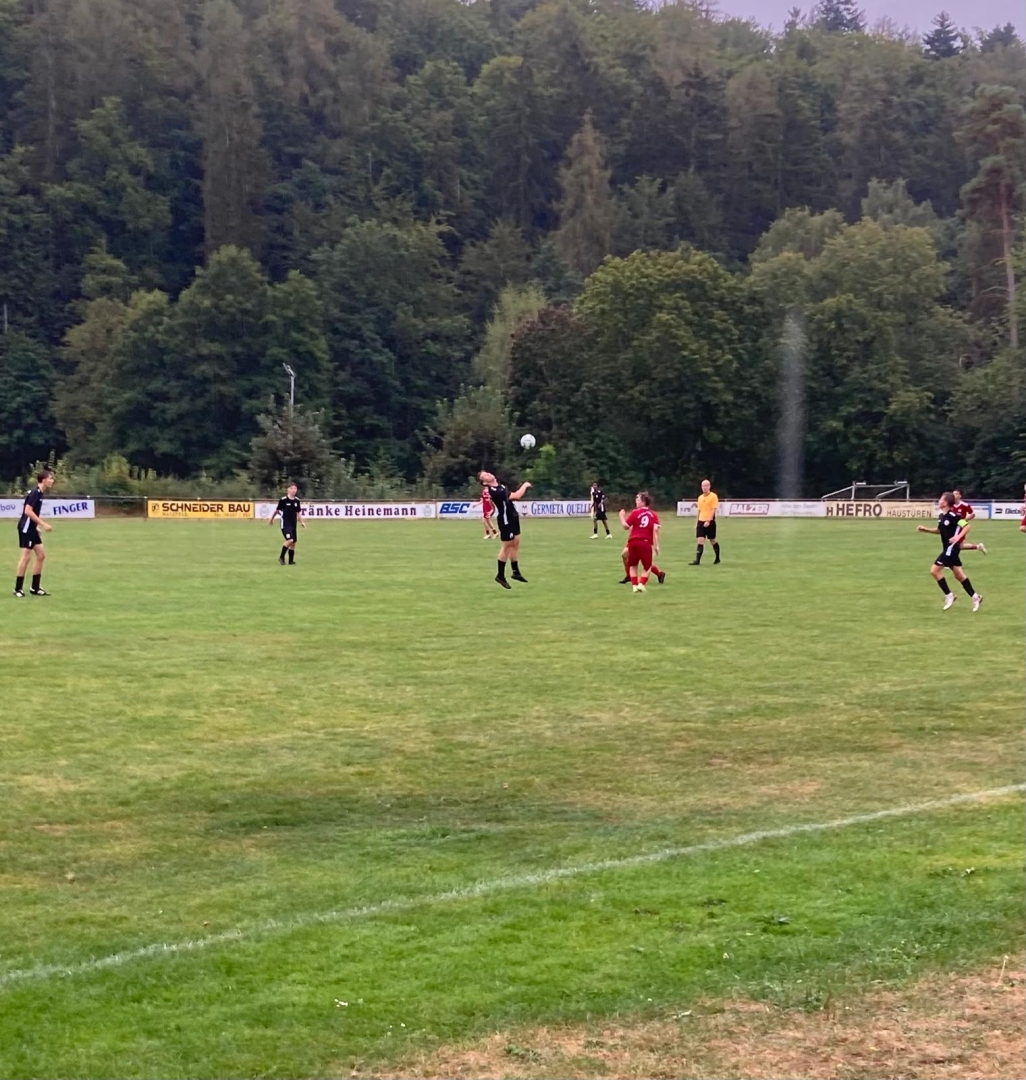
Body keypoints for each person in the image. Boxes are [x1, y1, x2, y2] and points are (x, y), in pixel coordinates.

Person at [917, 491, 982, 611]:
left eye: (941, 499)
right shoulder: (942, 516)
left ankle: (949, 595)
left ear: (946, 502)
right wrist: (926, 529)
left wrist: (957, 537)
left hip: (951, 549)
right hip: (948, 549)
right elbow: (940, 531)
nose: (939, 501)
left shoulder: (954, 516)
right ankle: (975, 597)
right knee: (959, 576)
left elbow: (967, 526)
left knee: (934, 571)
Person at [479, 471, 531, 588]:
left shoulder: (501, 486)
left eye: (487, 473)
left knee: (515, 542)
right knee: (507, 546)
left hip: (512, 516)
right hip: (505, 519)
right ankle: (500, 576)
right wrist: (525, 485)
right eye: (484, 476)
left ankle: (515, 572)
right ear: (484, 482)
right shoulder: (494, 491)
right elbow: (516, 496)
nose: (488, 474)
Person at [14, 468, 55, 598]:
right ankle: (18, 589)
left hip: (31, 528)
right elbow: (27, 511)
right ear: (43, 480)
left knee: (41, 556)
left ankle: (35, 588)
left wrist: (36, 526)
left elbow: (32, 512)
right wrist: (43, 524)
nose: (52, 480)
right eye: (50, 478)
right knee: (26, 556)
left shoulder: (40, 493)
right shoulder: (35, 493)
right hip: (26, 528)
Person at [619, 492, 660, 593]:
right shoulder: (654, 515)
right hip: (645, 542)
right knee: (647, 566)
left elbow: (626, 526)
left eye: (638, 500)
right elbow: (655, 530)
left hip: (633, 541)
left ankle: (634, 586)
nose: (636, 501)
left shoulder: (635, 513)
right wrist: (656, 546)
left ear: (643, 502)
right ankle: (641, 584)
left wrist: (621, 516)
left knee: (633, 565)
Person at [268, 482, 305, 564]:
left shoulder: (297, 500)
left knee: (293, 542)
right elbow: (277, 510)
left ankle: (291, 561)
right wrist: (272, 519)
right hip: (285, 524)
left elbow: (298, 512)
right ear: (288, 490)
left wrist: (302, 522)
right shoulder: (283, 500)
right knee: (290, 540)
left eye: (295, 488)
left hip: (293, 523)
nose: (294, 490)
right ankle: (281, 557)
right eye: (292, 488)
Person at [690, 479, 721, 565]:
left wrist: (708, 521)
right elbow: (699, 510)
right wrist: (697, 522)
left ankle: (717, 558)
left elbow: (713, 510)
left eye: (706, 486)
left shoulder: (713, 496)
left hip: (710, 521)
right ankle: (697, 561)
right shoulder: (700, 497)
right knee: (700, 540)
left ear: (709, 486)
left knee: (712, 540)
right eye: (703, 486)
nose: (704, 488)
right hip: (701, 521)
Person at [951, 490, 986, 554]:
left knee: (956, 545)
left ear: (960, 496)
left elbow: (973, 514)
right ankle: (978, 546)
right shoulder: (950, 505)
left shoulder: (965, 505)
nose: (954, 495)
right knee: (957, 546)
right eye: (953, 494)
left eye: (956, 494)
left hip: (961, 527)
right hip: (952, 527)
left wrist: (964, 520)